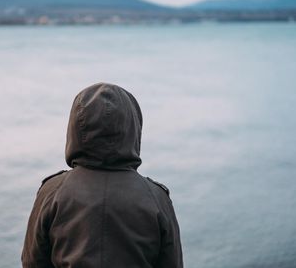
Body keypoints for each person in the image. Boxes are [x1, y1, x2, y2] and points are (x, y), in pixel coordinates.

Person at [21, 82, 183, 268]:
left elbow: (32, 263)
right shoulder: (156, 198)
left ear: (75, 128)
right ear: (133, 126)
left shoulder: (52, 192)